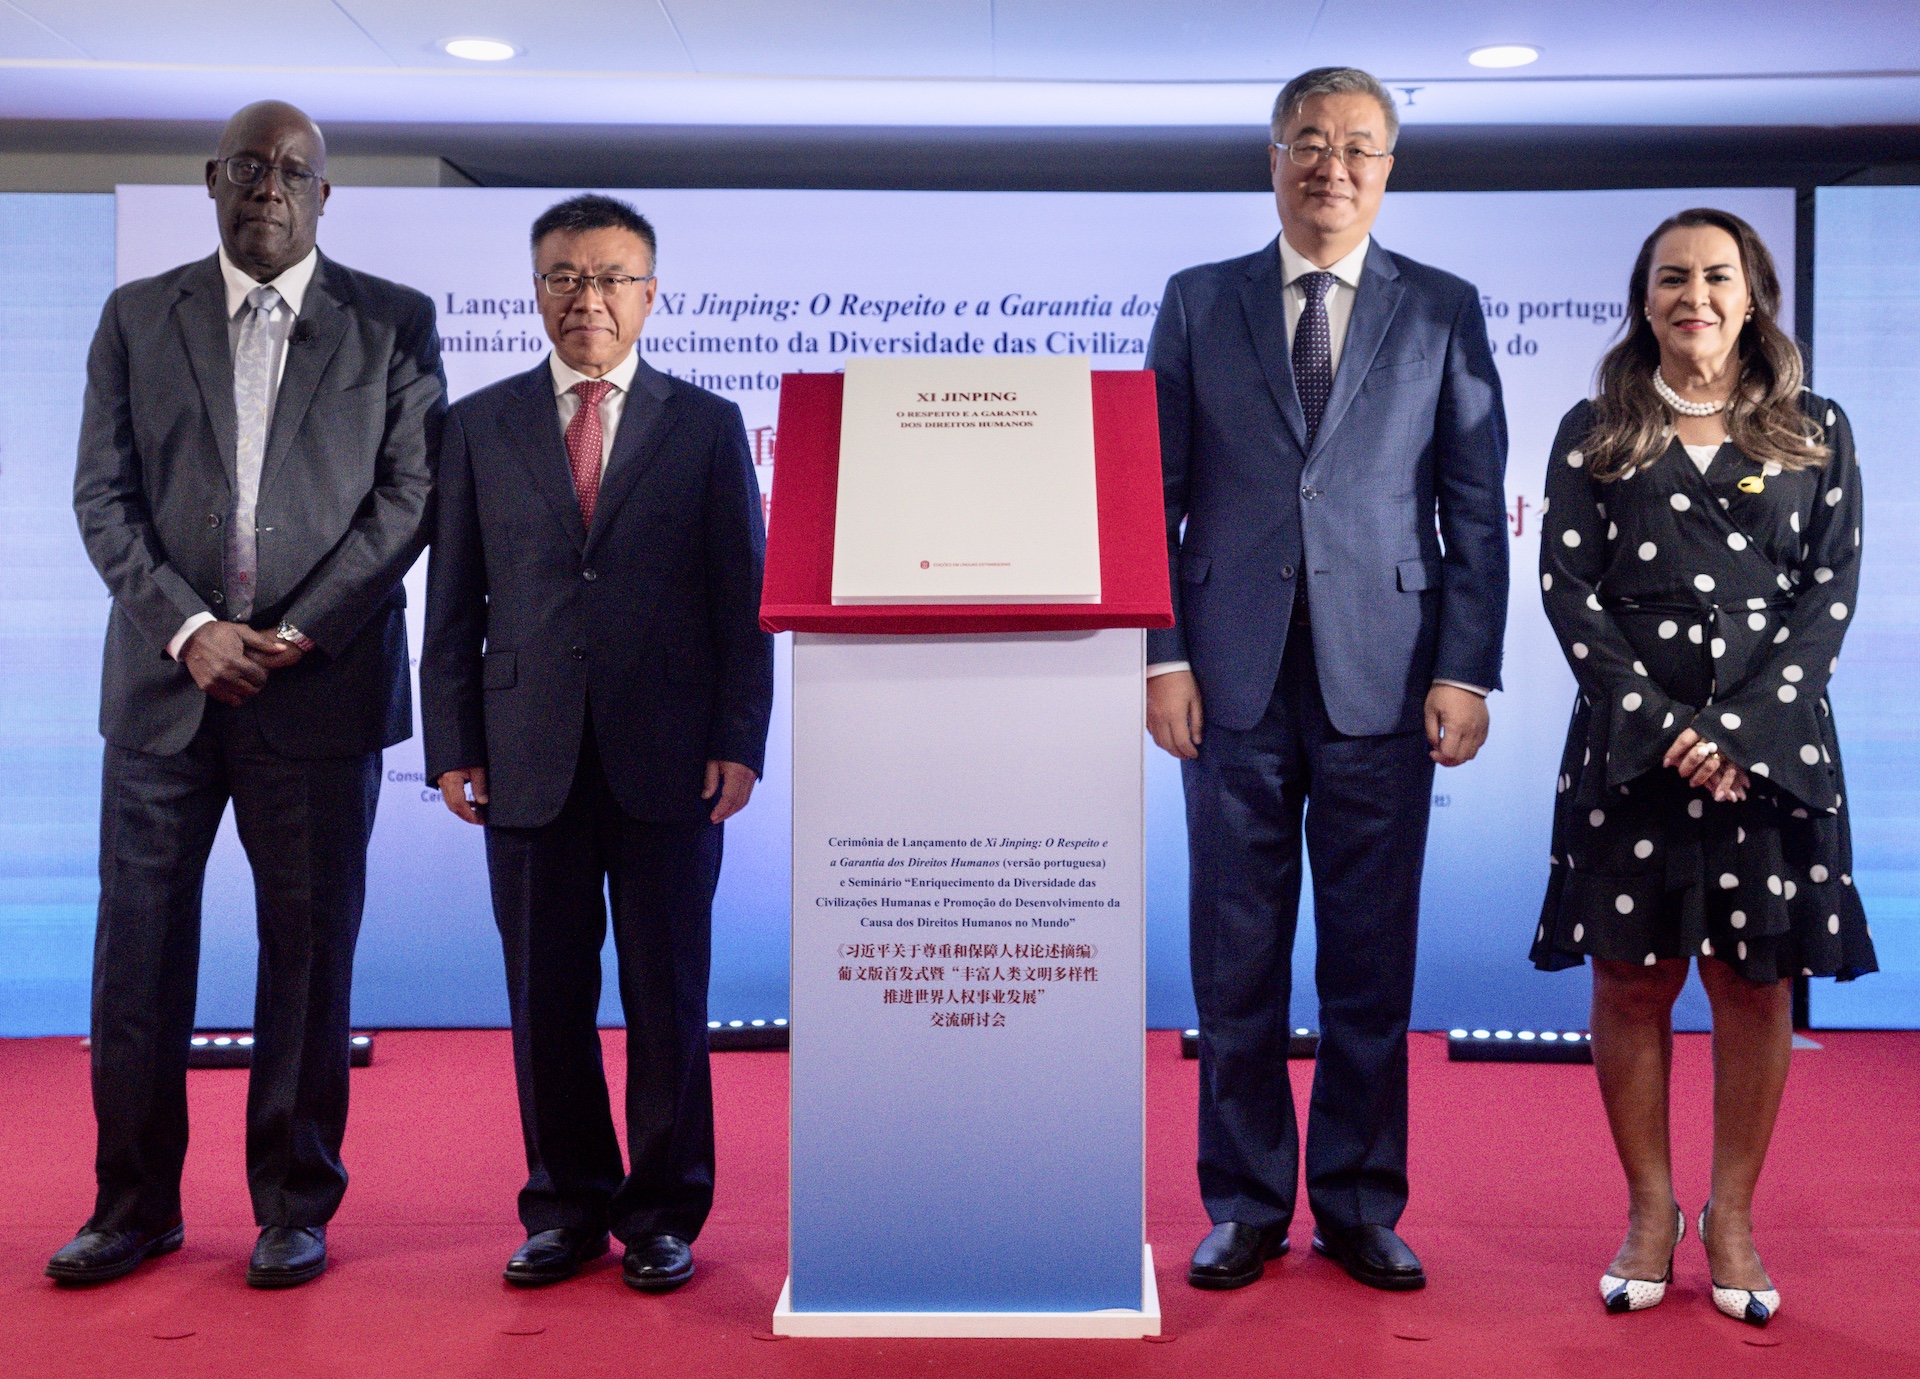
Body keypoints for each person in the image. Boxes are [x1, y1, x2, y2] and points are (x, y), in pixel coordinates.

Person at [56, 101, 443, 1288]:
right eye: (249, 167)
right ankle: (132, 1205)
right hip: (166, 695)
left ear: (326, 197)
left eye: (294, 171)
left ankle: (292, 1201)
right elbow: (103, 499)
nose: (268, 186)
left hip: (315, 691)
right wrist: (188, 630)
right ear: (210, 179)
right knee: (137, 958)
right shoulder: (136, 316)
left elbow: (407, 498)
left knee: (308, 955)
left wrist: (288, 632)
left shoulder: (394, 323)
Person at [1146, 66, 1509, 1294]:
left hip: (1388, 682)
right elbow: (1159, 495)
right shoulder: (1200, 302)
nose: (1332, 166)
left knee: (1369, 961)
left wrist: (1467, 668)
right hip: (1231, 682)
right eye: (1309, 141)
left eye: (1358, 146)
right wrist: (1166, 653)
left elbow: (1473, 507)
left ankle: (1359, 1199)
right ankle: (1245, 1200)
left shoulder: (1444, 308)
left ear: (1388, 168)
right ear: (1273, 157)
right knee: (1233, 962)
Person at [421, 195, 773, 1293]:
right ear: (534, 292)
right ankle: (565, 1203)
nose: (589, 297)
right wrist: (452, 742)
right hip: (525, 752)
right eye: (565, 276)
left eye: (613, 276)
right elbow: (454, 603)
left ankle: (663, 1211)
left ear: (651, 294)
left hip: (671, 755)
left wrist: (740, 738)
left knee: (669, 995)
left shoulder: (706, 423)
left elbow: (740, 597)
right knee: (548, 995)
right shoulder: (476, 424)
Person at [1533, 208, 1873, 1327]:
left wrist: (1737, 734)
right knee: (1632, 980)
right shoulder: (1594, 429)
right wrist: (1666, 725)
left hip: (1772, 758)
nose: (1695, 295)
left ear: (1753, 292)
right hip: (1634, 755)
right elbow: (1568, 595)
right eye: (1672, 277)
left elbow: (1830, 595)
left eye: (1717, 276)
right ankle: (1648, 1208)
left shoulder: (1817, 427)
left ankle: (1730, 1214)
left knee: (1752, 979)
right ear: (1644, 298)